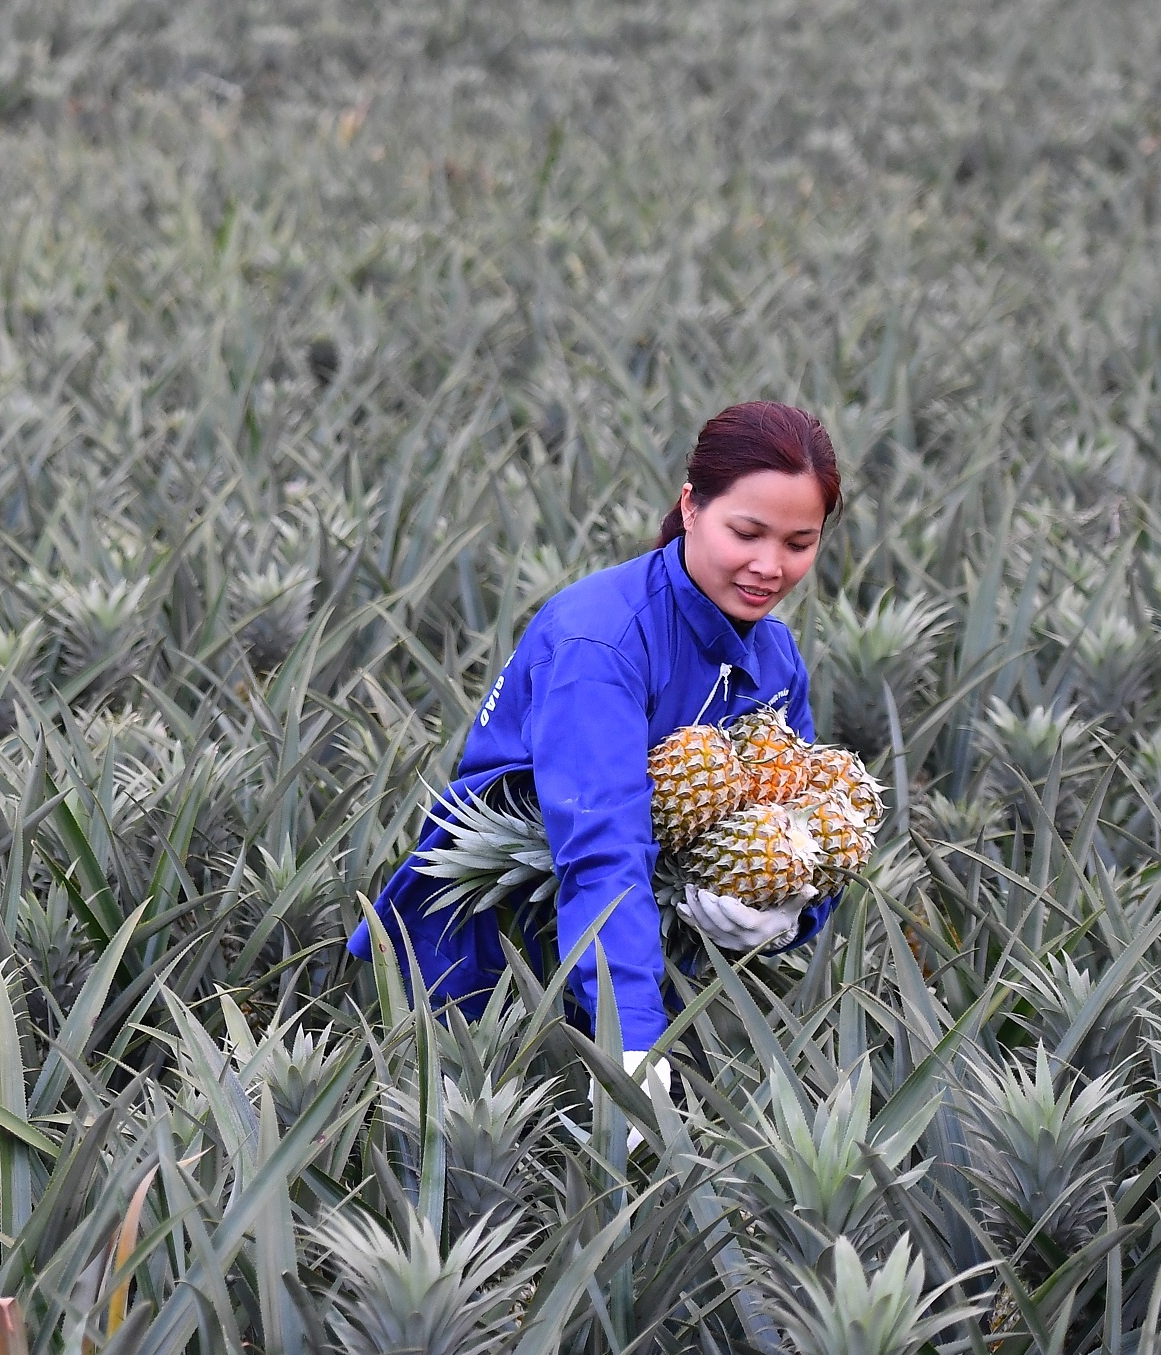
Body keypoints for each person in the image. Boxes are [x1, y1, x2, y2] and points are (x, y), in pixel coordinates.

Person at [350, 400, 845, 1065]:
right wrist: (632, 1040)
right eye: (747, 533)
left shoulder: (774, 657)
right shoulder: (601, 640)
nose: (769, 566)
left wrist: (793, 914)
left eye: (798, 544)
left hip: (654, 964)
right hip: (483, 971)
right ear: (692, 506)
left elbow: (806, 816)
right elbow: (602, 845)